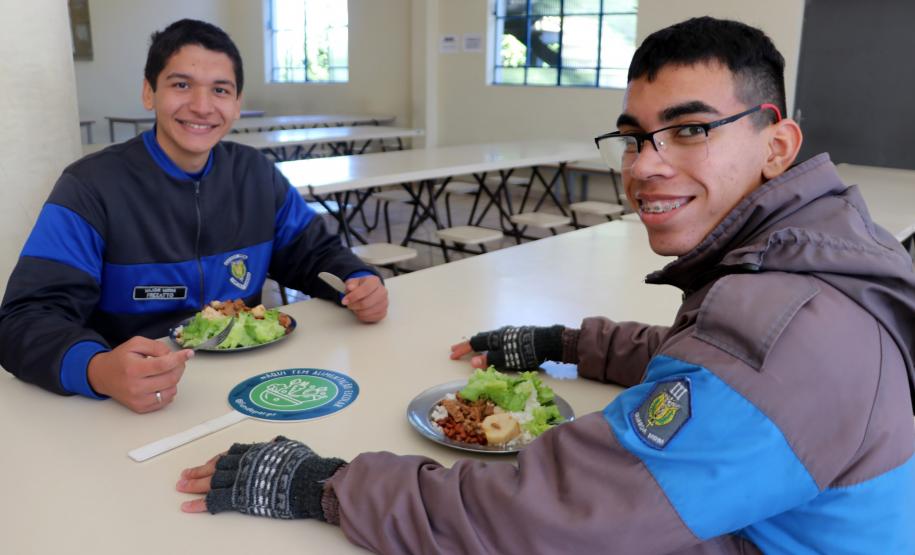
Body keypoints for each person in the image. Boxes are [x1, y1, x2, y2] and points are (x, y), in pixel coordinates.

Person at [174, 17, 915, 553]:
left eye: (690, 129)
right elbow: (712, 360)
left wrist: (324, 485)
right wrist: (563, 343)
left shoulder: (790, 329)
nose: (646, 164)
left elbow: (553, 517)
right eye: (632, 137)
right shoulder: (813, 262)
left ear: (776, 142)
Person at [0, 19, 388, 414]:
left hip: (248, 391)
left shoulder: (255, 174)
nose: (202, 106)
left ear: (237, 104)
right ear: (149, 92)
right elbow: (23, 320)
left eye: (220, 90)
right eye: (181, 84)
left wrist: (358, 281)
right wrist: (98, 369)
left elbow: (314, 254)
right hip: (132, 405)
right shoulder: (90, 188)